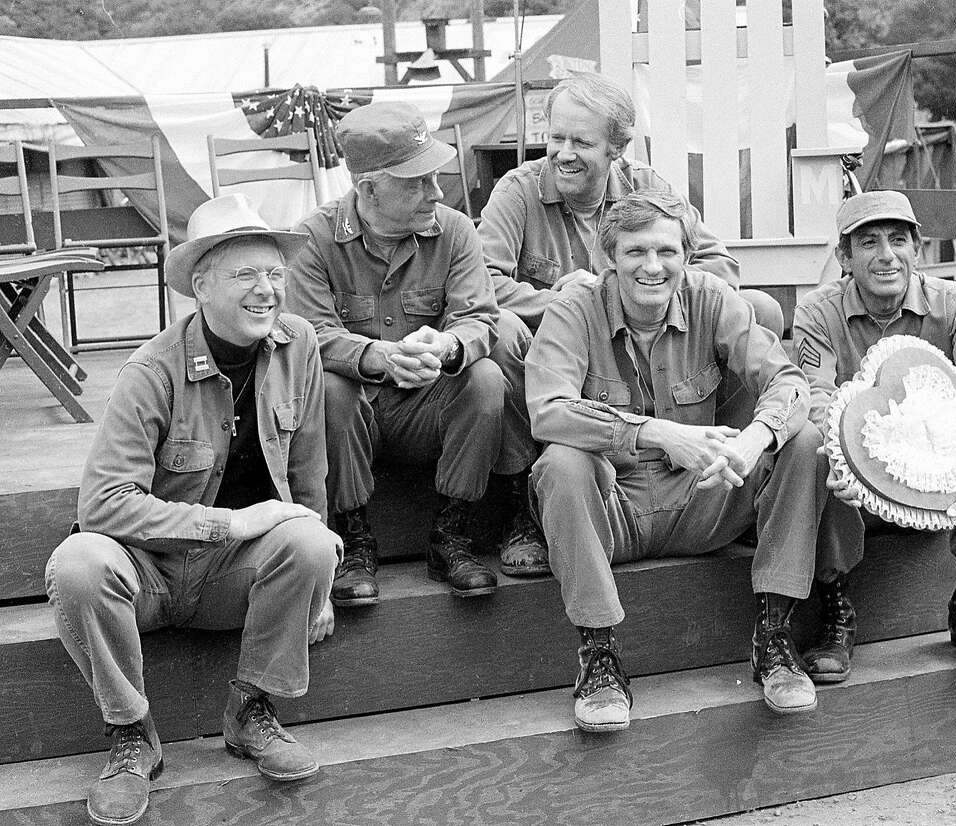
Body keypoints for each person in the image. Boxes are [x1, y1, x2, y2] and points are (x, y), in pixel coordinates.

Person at [45, 193, 339, 826]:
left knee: (311, 542)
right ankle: (131, 738)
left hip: (232, 580)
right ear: (200, 288)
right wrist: (228, 522)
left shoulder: (300, 345)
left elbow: (310, 470)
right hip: (146, 575)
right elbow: (102, 504)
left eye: (274, 275)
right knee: (77, 563)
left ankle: (251, 712)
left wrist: (324, 583)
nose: (266, 291)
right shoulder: (150, 371)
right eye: (244, 276)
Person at [525, 189, 826, 733]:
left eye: (667, 252)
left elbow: (788, 382)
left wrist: (756, 437)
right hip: (613, 510)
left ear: (687, 256)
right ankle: (598, 658)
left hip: (703, 499)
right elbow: (547, 411)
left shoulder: (710, 297)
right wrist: (659, 433)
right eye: (636, 252)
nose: (653, 266)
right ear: (607, 259)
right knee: (561, 463)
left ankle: (774, 637)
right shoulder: (573, 308)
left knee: (801, 442)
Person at [289, 101, 546, 603]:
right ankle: (354, 536)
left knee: (486, 377)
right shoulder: (314, 239)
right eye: (416, 181)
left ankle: (452, 533)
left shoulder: (454, 230)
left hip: (427, 409)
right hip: (355, 417)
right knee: (331, 387)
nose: (435, 191)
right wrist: (378, 356)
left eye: (433, 177)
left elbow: (481, 317)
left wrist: (450, 345)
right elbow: (309, 332)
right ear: (368, 188)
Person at [791, 190, 956, 683]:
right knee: (814, 456)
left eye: (898, 240)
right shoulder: (817, 313)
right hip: (857, 482)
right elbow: (815, 396)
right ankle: (836, 611)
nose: (885, 255)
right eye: (868, 243)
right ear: (844, 256)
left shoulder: (955, 305)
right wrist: (841, 458)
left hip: (940, 477)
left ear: (916, 248)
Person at [477, 72, 785, 340]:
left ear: (618, 147)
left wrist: (621, 293)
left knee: (760, 310)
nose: (564, 154)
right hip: (555, 351)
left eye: (582, 143)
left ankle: (740, 410)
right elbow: (482, 283)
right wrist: (566, 305)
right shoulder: (517, 191)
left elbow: (719, 266)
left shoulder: (644, 186)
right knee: (502, 329)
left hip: (645, 346)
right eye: (557, 138)